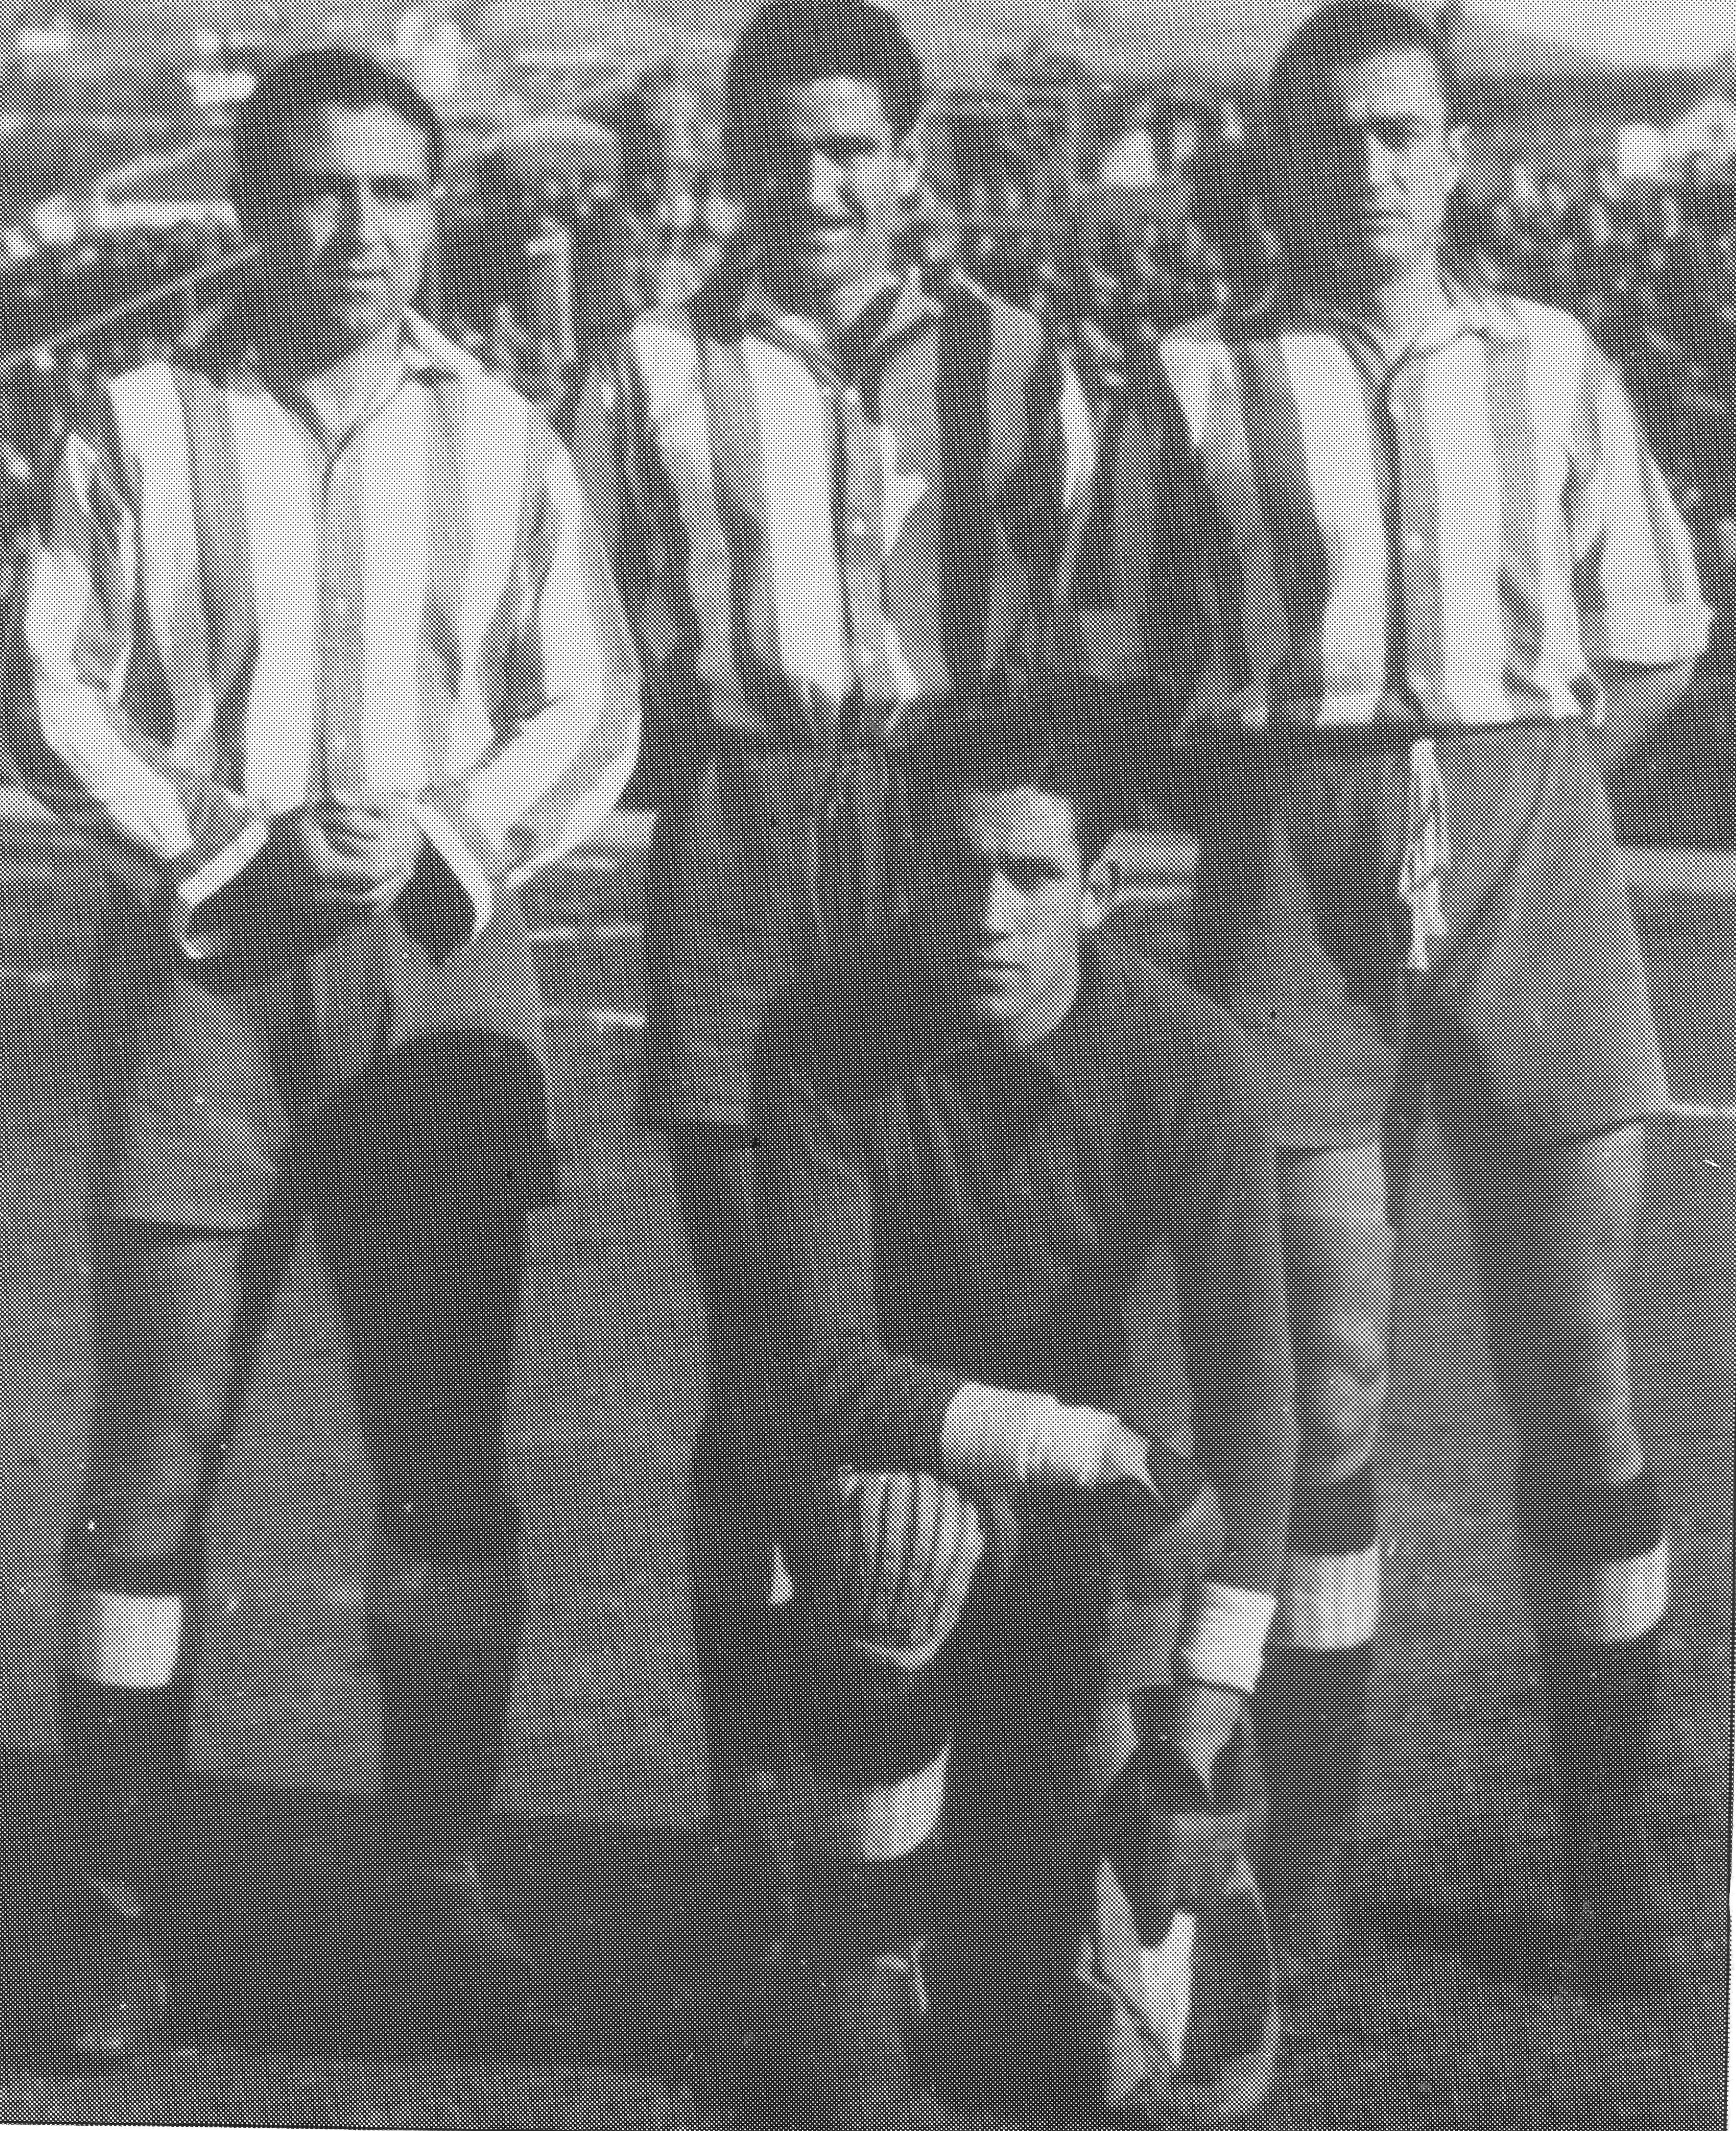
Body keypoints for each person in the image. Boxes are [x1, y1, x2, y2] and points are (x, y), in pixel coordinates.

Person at [9, 47, 639, 2057]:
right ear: (244, 206)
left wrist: (441, 833)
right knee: (152, 1452)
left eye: (388, 192)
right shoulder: (138, 413)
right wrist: (225, 833)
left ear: (435, 208)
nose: (350, 233)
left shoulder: (511, 434)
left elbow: (591, 699)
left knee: (444, 1452)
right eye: (309, 190)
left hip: (431, 972)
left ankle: (434, 1876)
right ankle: (110, 1904)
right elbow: (45, 682)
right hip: (205, 973)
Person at [1108, 0, 1708, 2082]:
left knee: (1579, 1365)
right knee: (1326, 1383)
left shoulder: (1551, 358)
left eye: (1398, 134)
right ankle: (1328, 1838)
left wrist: (1510, 771)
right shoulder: (1189, 380)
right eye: (1324, 138)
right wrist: (1303, 801)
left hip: (1535, 836)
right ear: (1270, 165)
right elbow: (1121, 658)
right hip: (1289, 871)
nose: (1363, 170)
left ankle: (1605, 1843)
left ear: (1457, 154)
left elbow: (1651, 630)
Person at [595, 0, 1091, 2006]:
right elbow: (583, 627)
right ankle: (755, 1808)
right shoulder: (642, 368)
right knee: (768, 1357)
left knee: (957, 1323)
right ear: (730, 158)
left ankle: (952, 1817)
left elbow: (1080, 624)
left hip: (941, 828)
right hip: (742, 833)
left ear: (913, 159)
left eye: (850, 150)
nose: (814, 187)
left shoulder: (1019, 362)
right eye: (778, 150)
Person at [740, 712, 1297, 2129]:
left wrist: (1205, 1708)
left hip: (1087, 1543)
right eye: (959, 865)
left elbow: (1253, 1401)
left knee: (1131, 2066)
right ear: (912, 870)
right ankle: (854, 1948)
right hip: (909, 1468)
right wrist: (1079, 1442)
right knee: (900, 1534)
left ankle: (1144, 1875)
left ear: (1102, 887)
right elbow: (823, 1366)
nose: (991, 913)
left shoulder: (1193, 1058)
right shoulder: (821, 1030)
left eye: (1034, 874)